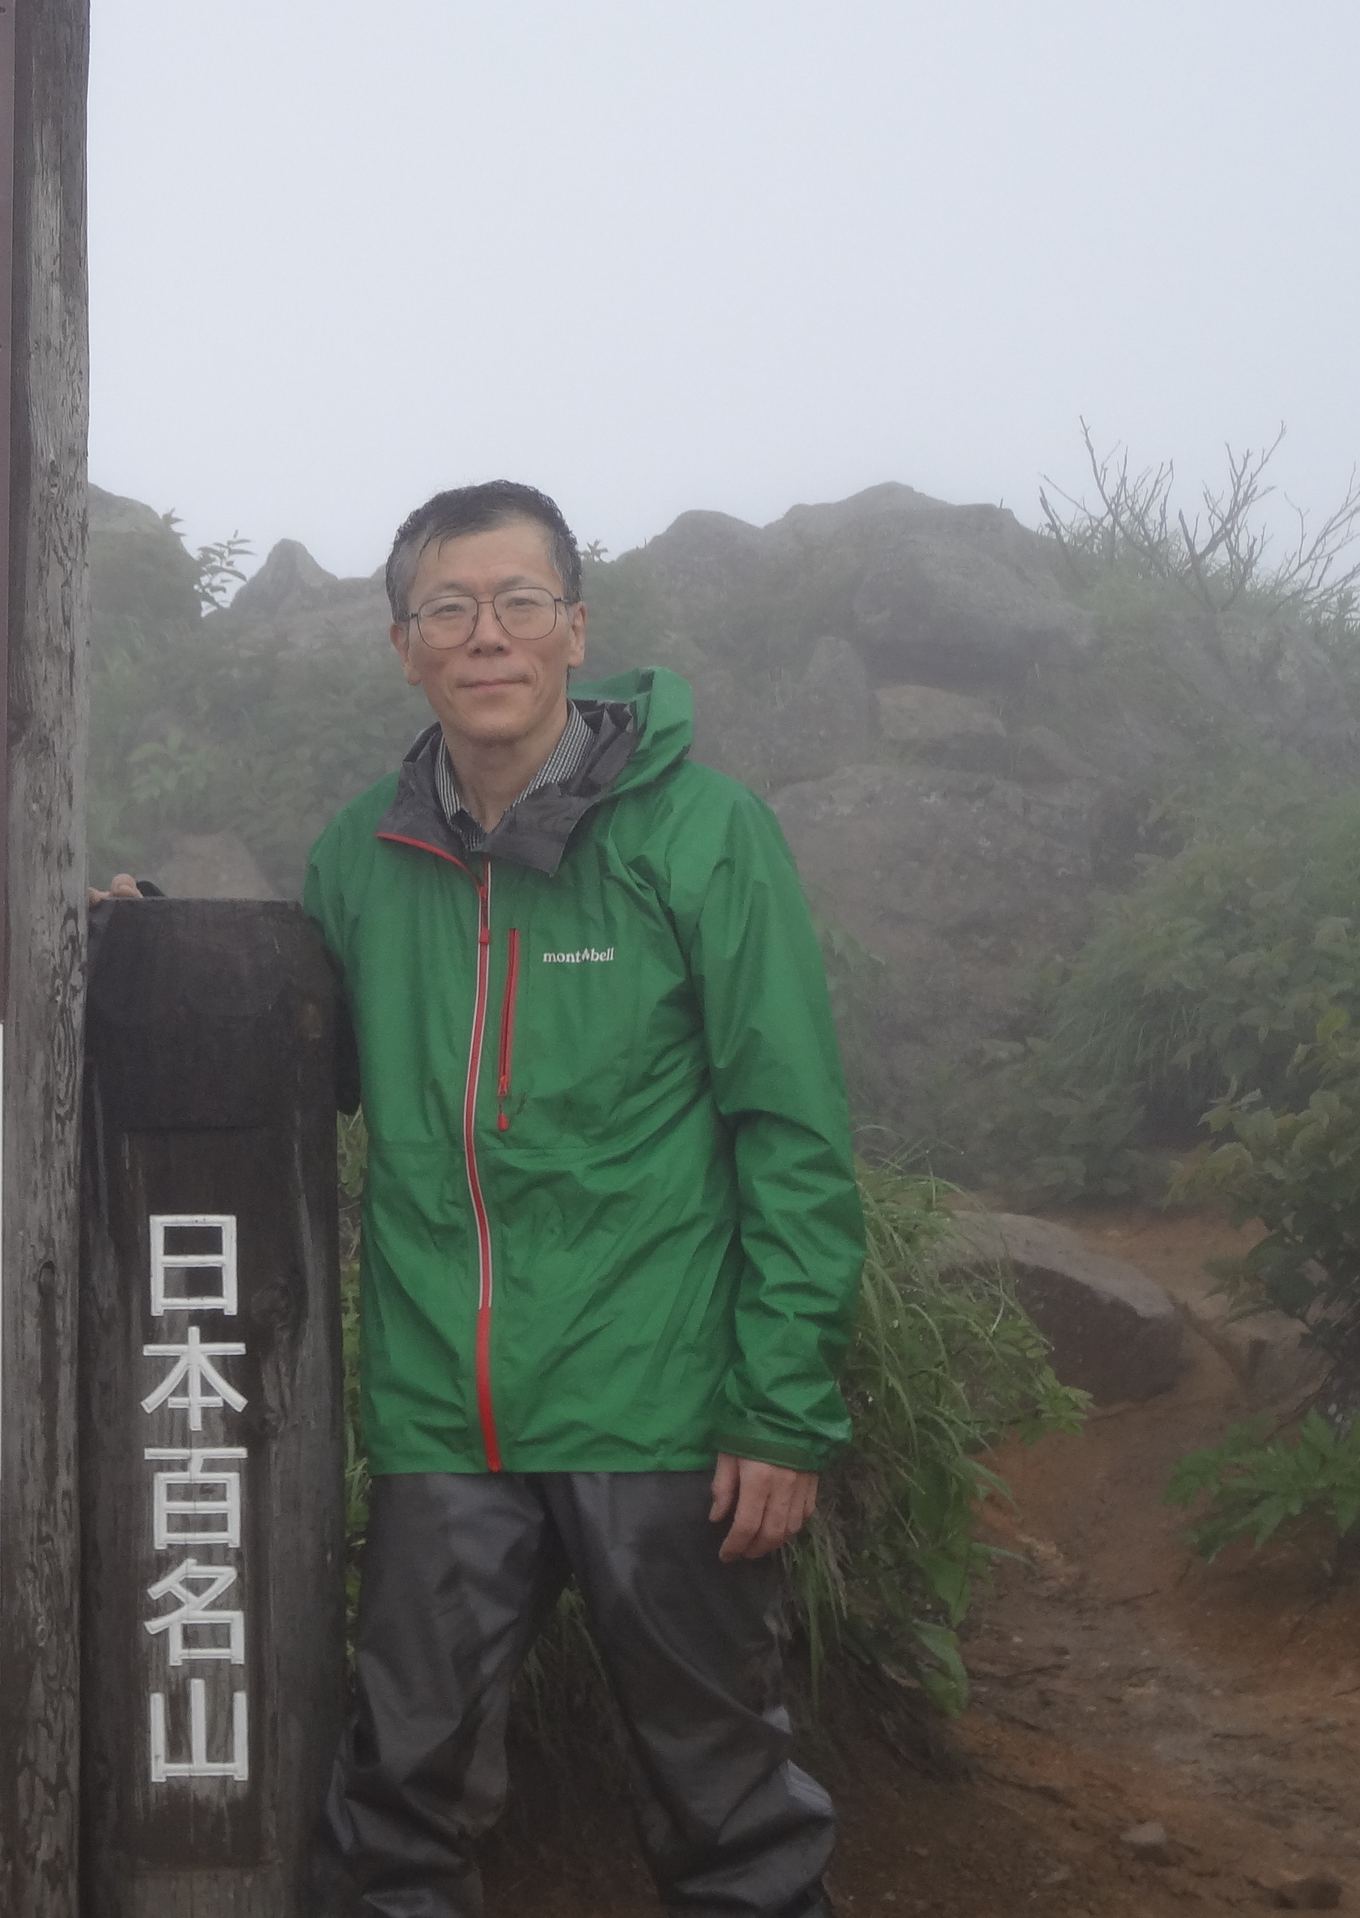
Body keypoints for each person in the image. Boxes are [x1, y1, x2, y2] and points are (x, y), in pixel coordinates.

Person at [298, 480, 861, 1917]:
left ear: (573, 630)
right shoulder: (361, 858)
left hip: (660, 1405)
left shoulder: (701, 834)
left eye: (519, 604)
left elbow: (791, 1132)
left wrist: (781, 1403)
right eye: (448, 609)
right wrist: (160, 941)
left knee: (725, 1802)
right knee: (396, 1804)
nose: (487, 635)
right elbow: (300, 1056)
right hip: (445, 1413)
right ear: (403, 645)